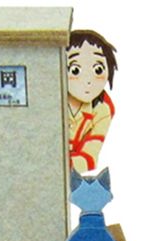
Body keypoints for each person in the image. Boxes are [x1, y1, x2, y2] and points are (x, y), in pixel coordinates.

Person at [67, 30, 117, 172]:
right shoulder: (51, 99)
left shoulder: (103, 108)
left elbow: (89, 157)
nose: (88, 81)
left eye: (98, 70)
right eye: (75, 70)